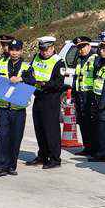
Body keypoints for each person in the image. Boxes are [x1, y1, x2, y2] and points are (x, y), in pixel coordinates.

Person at [23, 36, 66, 169]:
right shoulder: (36, 57)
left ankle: (54, 159)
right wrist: (30, 80)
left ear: (52, 48)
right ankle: (42, 155)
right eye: (42, 49)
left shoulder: (58, 62)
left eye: (46, 49)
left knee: (51, 130)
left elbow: (58, 83)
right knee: (39, 128)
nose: (44, 52)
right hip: (38, 98)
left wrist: (41, 84)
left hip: (50, 99)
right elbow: (29, 72)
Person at [0, 36, 28, 177]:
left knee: (16, 137)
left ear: (21, 51)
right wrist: (4, 81)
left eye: (17, 50)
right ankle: (1, 166)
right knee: (3, 137)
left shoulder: (26, 67)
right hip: (3, 108)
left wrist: (21, 78)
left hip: (18, 109)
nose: (14, 53)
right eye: (12, 50)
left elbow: (32, 81)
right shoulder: (1, 64)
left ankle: (12, 166)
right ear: (9, 50)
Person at [70, 36, 99, 155]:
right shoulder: (79, 59)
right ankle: (87, 147)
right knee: (82, 122)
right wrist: (73, 92)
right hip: (79, 94)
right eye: (79, 47)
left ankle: (95, 148)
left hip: (90, 95)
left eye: (83, 46)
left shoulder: (95, 58)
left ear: (89, 46)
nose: (81, 49)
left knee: (92, 123)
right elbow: (76, 76)